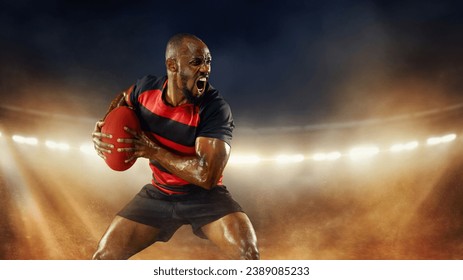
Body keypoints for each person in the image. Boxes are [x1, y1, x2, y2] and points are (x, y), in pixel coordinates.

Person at [91, 33, 259, 260]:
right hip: (159, 193)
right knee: (103, 258)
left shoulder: (215, 109)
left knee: (247, 255)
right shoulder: (145, 89)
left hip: (205, 197)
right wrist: (104, 127)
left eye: (208, 62)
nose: (206, 69)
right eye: (197, 62)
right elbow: (123, 98)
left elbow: (206, 176)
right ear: (172, 65)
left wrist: (152, 151)